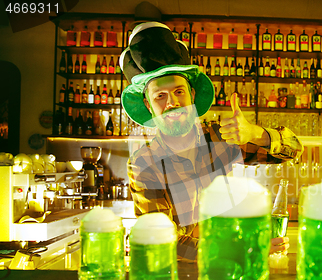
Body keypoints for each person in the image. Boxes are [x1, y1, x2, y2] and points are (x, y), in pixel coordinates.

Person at [120, 22, 303, 259]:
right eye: (160, 96)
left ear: (192, 95)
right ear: (148, 106)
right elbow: (163, 240)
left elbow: (294, 149)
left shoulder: (221, 139)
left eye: (179, 91)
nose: (172, 103)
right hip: (180, 279)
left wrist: (254, 134)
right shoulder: (145, 163)